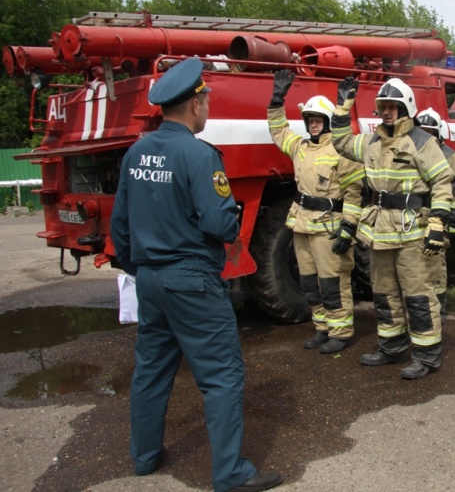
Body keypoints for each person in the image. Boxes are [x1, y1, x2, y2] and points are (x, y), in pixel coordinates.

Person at [110, 58, 282, 492]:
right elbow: (222, 225)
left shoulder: (136, 151)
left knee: (151, 371)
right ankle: (231, 474)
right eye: (206, 99)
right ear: (193, 104)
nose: (208, 107)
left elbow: (120, 227)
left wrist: (141, 269)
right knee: (221, 375)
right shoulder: (200, 154)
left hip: (149, 279)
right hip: (191, 279)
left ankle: (144, 458)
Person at [331, 77, 453, 380]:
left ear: (405, 108)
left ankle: (426, 356)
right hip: (381, 231)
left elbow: (442, 182)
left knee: (418, 295)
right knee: (385, 294)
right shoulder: (372, 141)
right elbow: (341, 141)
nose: (386, 112)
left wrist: (437, 222)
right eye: (383, 107)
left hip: (413, 231)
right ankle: (392, 347)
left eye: (392, 107)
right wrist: (343, 107)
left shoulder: (422, 141)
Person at [267, 69, 365, 353]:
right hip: (301, 226)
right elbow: (278, 130)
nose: (312, 125)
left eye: (317, 120)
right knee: (309, 283)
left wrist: (348, 227)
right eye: (309, 120)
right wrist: (276, 99)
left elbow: (354, 193)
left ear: (327, 123)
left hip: (329, 227)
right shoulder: (299, 148)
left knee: (333, 282)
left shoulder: (341, 151)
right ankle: (322, 328)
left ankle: (341, 332)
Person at [417, 107, 455, 322]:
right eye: (423, 130)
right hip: (417, 214)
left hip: (439, 212)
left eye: (430, 131)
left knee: (437, 260)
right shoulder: (415, 151)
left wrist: (452, 218)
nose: (426, 135)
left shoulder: (452, 157)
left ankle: (440, 305)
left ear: (438, 133)